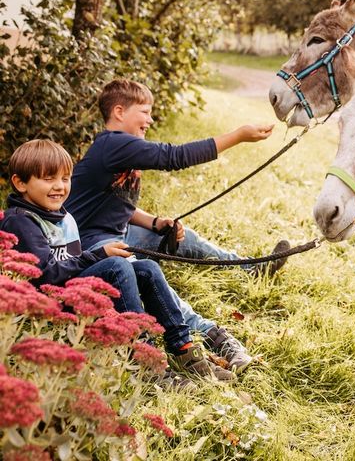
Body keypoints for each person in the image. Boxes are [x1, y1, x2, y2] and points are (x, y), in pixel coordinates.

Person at [65, 78, 283, 374]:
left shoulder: (122, 150)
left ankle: (248, 267)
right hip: (92, 243)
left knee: (183, 236)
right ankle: (208, 333)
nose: (150, 119)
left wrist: (155, 223)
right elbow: (173, 157)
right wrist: (239, 135)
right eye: (144, 111)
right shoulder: (113, 144)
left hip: (117, 230)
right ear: (119, 112)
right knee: (143, 269)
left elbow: (117, 203)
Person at [0, 139, 234, 384]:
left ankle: (183, 348)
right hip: (46, 304)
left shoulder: (63, 215)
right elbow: (44, 274)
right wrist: (100, 255)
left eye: (65, 179)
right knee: (117, 266)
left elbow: (75, 260)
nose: (59, 187)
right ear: (20, 183)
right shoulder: (21, 221)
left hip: (69, 290)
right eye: (48, 179)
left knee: (146, 268)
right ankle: (145, 363)